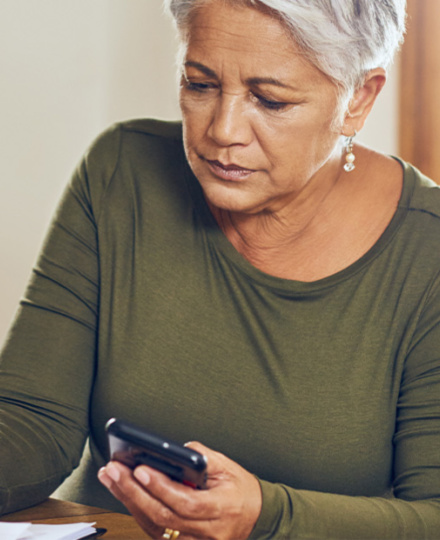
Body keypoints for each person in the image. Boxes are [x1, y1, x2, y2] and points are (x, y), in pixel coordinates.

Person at [0, 0, 439, 537]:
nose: (222, 130)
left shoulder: (427, 251)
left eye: (270, 100)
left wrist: (265, 516)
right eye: (200, 84)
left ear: (359, 99)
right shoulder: (120, 171)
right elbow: (31, 419)